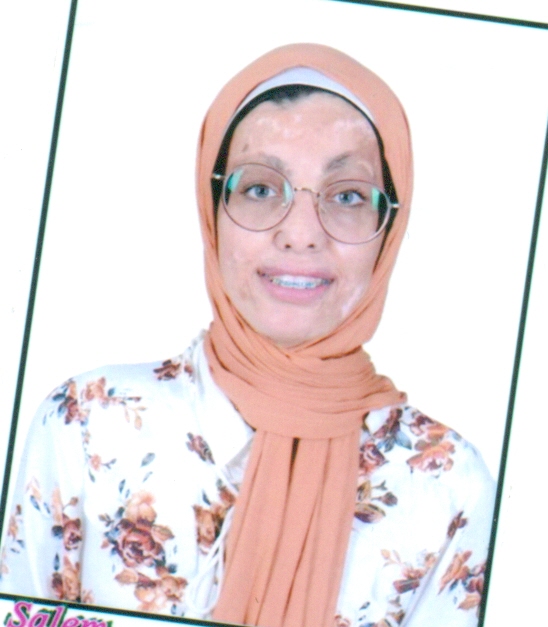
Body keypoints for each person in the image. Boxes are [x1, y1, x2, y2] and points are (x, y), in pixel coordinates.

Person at [0, 43, 495, 627]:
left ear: (389, 227)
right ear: (212, 210)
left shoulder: (445, 485)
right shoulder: (89, 425)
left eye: (347, 196)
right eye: (260, 189)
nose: (302, 233)